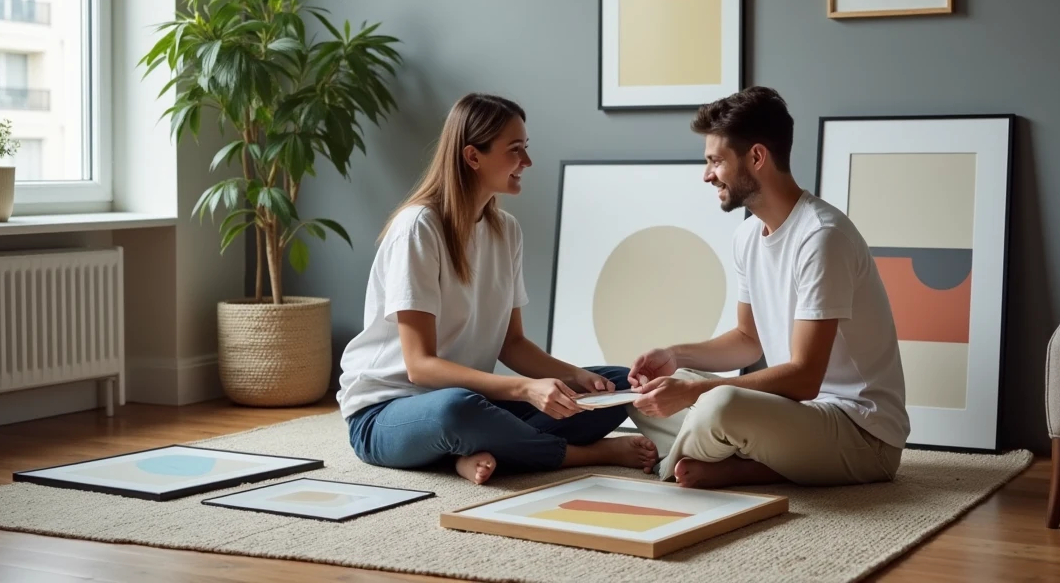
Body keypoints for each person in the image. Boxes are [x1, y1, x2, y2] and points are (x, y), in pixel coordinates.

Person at [337, 93, 657, 485]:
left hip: (478, 402)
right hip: (387, 412)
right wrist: (524, 389)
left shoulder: (505, 231)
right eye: (515, 150)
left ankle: (468, 453)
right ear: (473, 156)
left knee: (619, 382)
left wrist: (574, 376)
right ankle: (578, 456)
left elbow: (513, 344)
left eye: (526, 148)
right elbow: (419, 366)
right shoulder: (418, 227)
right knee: (456, 412)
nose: (527, 162)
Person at [626, 86, 909, 489]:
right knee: (643, 392)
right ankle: (748, 462)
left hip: (860, 431)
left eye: (715, 161)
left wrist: (694, 393)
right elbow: (747, 339)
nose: (707, 175)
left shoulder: (821, 237)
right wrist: (674, 356)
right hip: (794, 416)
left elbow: (804, 379)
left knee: (718, 403)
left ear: (756, 157)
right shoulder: (747, 236)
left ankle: (688, 461)